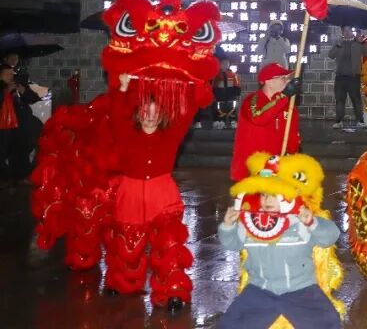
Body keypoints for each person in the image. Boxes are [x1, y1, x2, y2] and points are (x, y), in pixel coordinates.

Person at [105, 73, 198, 311]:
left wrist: (190, 86)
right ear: (138, 113)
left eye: (155, 112)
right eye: (146, 111)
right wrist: (123, 88)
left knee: (169, 245)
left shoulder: (171, 135)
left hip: (162, 195)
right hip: (130, 194)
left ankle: (173, 292)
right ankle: (123, 282)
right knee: (128, 244)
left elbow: (187, 113)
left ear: (162, 115)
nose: (150, 116)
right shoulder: (126, 134)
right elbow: (116, 114)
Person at [218, 155, 341, 328]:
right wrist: (228, 226)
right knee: (231, 324)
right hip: (260, 289)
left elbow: (330, 237)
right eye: (264, 195)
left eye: (274, 195)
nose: (266, 200)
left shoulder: (300, 221)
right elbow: (231, 244)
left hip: (301, 290)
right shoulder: (249, 223)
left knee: (329, 322)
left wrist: (312, 223)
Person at [230, 63, 301, 181]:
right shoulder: (252, 100)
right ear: (268, 81)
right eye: (282, 78)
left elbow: (292, 134)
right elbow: (259, 117)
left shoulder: (289, 106)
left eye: (287, 78)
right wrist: (283, 96)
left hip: (277, 168)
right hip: (253, 170)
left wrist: (292, 153)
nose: (287, 81)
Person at [329, 27, 367, 130]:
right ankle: (339, 121)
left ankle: (360, 121)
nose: (347, 32)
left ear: (352, 32)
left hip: (353, 77)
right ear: (342, 32)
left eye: (349, 30)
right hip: (340, 77)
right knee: (340, 100)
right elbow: (331, 55)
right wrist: (337, 46)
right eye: (344, 31)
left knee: (356, 99)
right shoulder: (339, 42)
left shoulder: (358, 42)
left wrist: (363, 42)